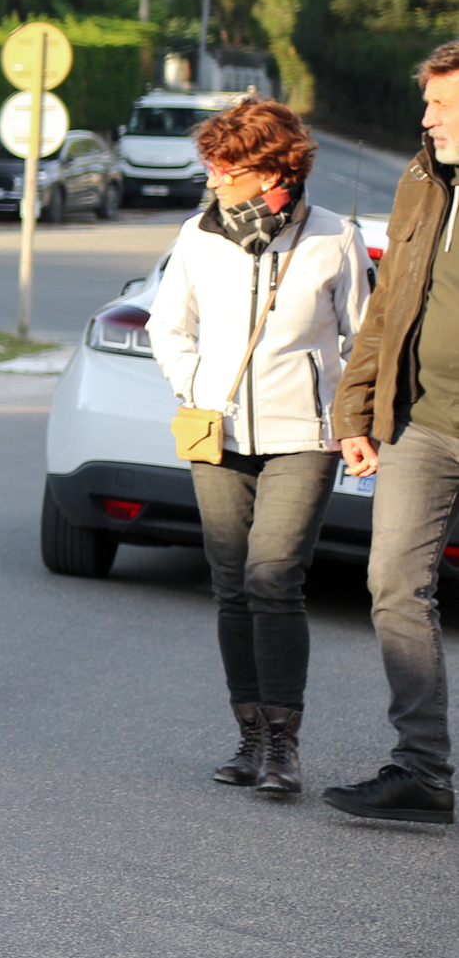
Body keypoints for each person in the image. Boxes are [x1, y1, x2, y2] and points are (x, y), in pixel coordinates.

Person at [149, 99, 369, 798]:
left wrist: (356, 417)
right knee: (231, 583)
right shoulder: (198, 236)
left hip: (304, 435)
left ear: (276, 168)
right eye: (209, 164)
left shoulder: (334, 238)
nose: (212, 178)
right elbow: (167, 326)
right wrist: (197, 386)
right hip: (217, 434)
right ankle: (248, 737)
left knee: (274, 576)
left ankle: (283, 745)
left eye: (227, 166)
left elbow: (361, 342)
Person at [327, 40, 459, 827]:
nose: (426, 117)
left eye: (442, 104)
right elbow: (386, 305)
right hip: (424, 421)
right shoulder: (422, 181)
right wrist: (358, 407)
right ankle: (424, 770)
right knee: (394, 584)